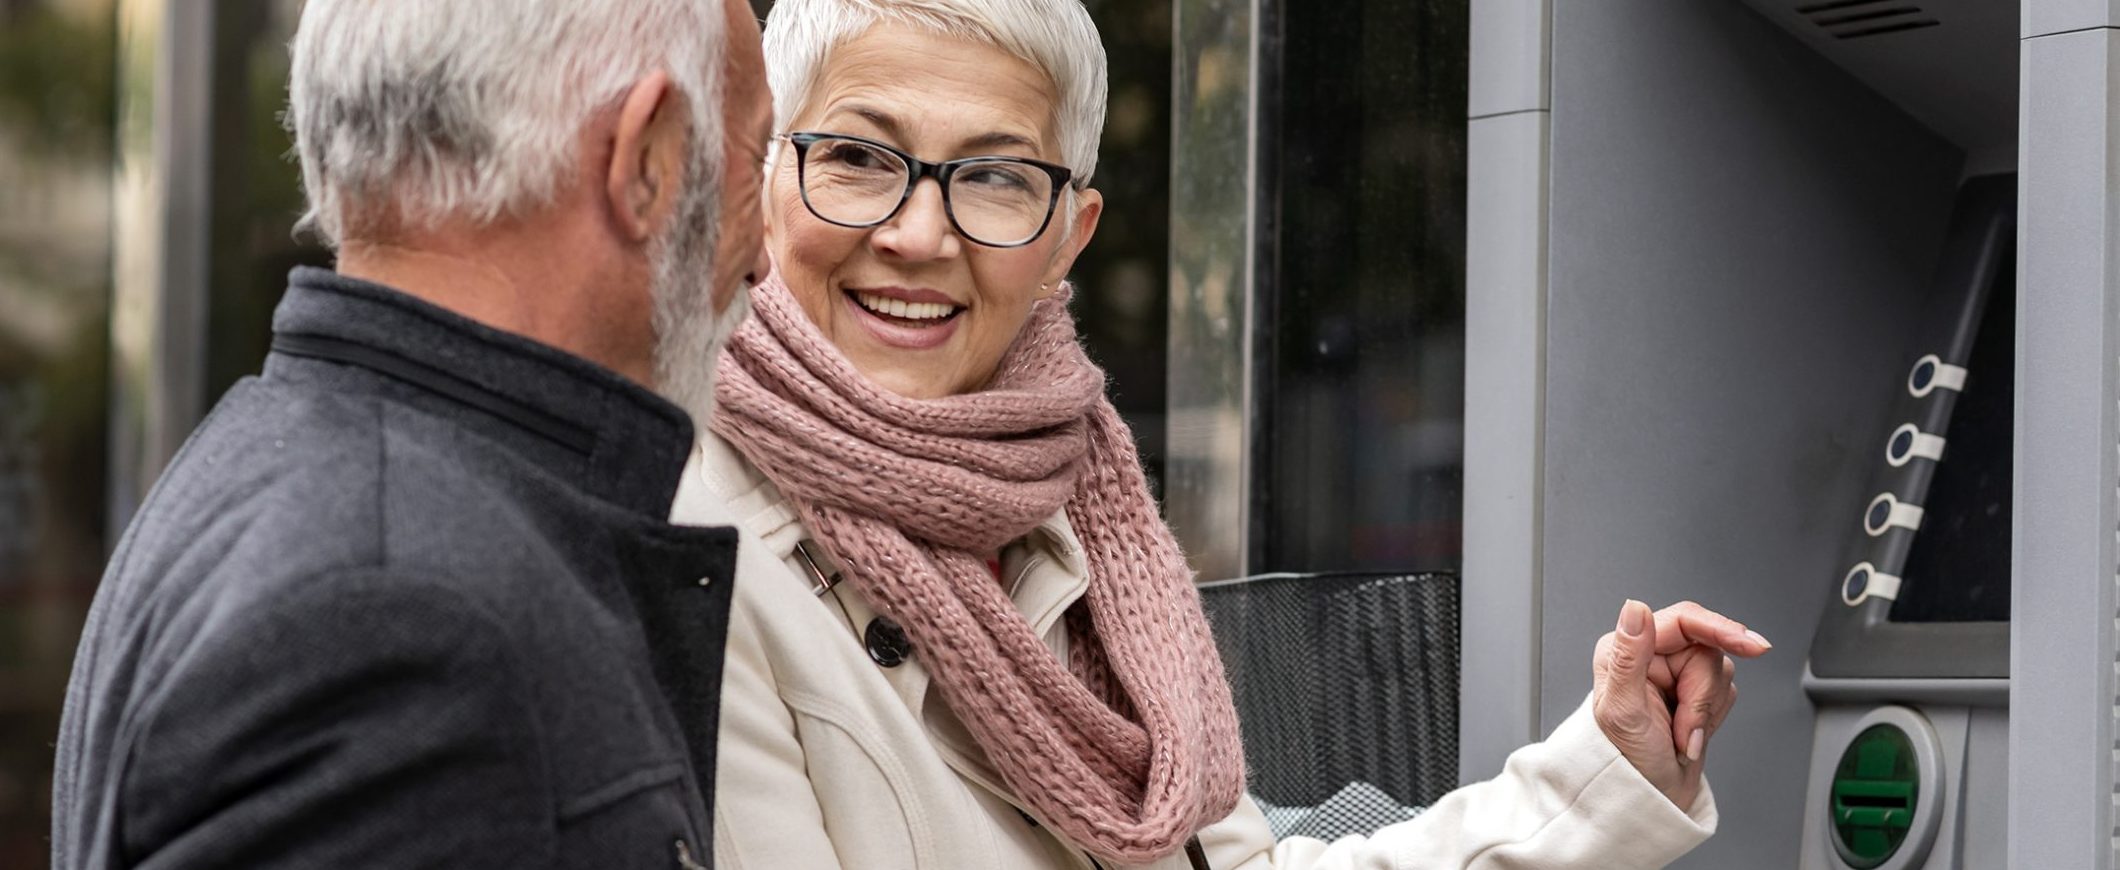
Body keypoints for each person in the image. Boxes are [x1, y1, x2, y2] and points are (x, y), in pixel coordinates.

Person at [669, 1, 1772, 868]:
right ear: (765, 176)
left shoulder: (1075, 522)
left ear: (1066, 237)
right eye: (859, 158)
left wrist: (1600, 778)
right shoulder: (682, 544)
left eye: (996, 179)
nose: (917, 234)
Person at [50, 1, 772, 867]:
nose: (761, 255)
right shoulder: (407, 617)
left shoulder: (296, 487)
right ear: (646, 161)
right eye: (754, 157)